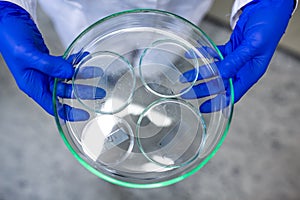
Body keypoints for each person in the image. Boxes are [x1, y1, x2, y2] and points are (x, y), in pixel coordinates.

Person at [0, 0, 297, 118]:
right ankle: (117, 72)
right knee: (101, 63)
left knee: (161, 59)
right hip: (83, 9)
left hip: (179, 6)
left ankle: (153, 70)